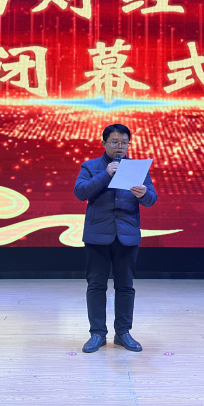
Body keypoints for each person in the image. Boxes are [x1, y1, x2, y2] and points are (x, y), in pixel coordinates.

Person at [73, 124, 157, 353]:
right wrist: (106, 174)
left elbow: (151, 199)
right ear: (104, 143)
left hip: (127, 235)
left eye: (124, 143)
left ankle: (123, 333)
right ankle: (97, 334)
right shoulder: (90, 167)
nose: (119, 146)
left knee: (125, 286)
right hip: (98, 236)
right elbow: (80, 192)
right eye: (114, 142)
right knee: (96, 286)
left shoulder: (137, 168)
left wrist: (144, 194)